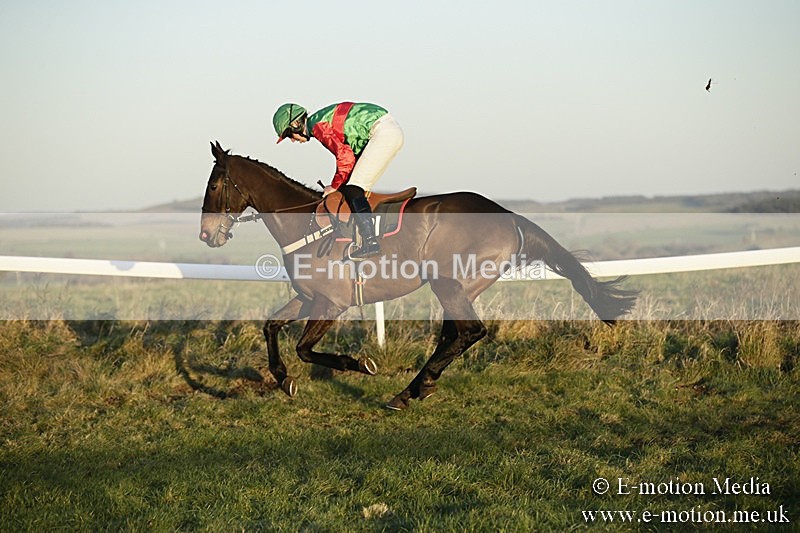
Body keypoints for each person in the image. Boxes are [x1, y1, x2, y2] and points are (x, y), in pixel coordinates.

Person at [273, 102, 404, 259]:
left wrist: (334, 187)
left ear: (296, 124)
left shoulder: (318, 126)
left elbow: (345, 157)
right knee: (353, 186)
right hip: (386, 129)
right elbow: (348, 155)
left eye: (289, 135)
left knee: (353, 188)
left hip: (382, 133)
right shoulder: (319, 120)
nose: (293, 140)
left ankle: (370, 242)